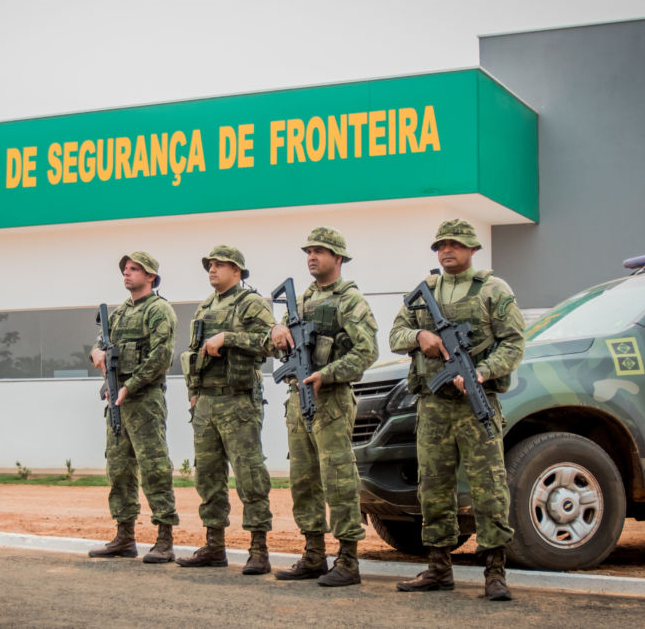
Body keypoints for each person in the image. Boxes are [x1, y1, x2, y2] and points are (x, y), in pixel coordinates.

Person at [389, 219, 525, 601]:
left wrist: (482, 372)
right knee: (433, 487)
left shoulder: (494, 290)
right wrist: (421, 336)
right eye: (441, 245)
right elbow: (395, 335)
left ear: (472, 249)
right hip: (434, 408)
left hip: (474, 406)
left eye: (455, 244)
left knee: (490, 488)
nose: (447, 250)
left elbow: (513, 344)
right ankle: (438, 568)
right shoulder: (425, 291)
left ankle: (495, 573)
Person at [270, 227, 378, 587]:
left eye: (321, 251)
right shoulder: (299, 302)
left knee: (338, 479)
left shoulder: (350, 301)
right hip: (297, 400)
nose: (312, 256)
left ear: (339, 258)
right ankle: (314, 555)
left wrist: (327, 374)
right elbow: (278, 348)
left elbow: (367, 353)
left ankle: (348, 561)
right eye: (309, 251)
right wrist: (276, 334)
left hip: (330, 399)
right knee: (303, 481)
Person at [176, 245, 275, 575]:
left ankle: (259, 550)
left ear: (238, 270)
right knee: (208, 477)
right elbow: (192, 352)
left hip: (238, 401)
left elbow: (270, 342)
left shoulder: (252, 303)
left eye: (219, 264)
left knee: (250, 475)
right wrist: (193, 392)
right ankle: (214, 546)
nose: (212, 269)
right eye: (210, 265)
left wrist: (228, 337)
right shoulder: (205, 306)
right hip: (205, 403)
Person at [88, 251, 179, 564]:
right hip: (117, 398)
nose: (127, 274)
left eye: (134, 269)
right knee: (119, 467)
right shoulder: (118, 313)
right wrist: (95, 354)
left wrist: (131, 386)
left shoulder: (158, 310)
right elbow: (101, 343)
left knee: (154, 467)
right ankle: (124, 536)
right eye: (125, 269)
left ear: (150, 276)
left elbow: (161, 357)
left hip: (144, 399)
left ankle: (164, 539)